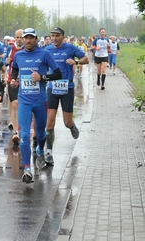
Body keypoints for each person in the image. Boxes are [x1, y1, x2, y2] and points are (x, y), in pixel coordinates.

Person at [10, 28, 62, 183]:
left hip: (40, 101)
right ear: (22, 39)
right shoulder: (18, 55)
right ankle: (27, 169)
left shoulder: (45, 54)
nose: (28, 41)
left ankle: (40, 150)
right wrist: (14, 80)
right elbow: (15, 70)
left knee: (40, 135)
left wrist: (42, 77)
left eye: (31, 38)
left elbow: (58, 74)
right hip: (24, 101)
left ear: (36, 39)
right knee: (24, 135)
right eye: (26, 38)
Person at [44, 27, 89, 166]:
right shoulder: (47, 50)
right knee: (50, 121)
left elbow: (86, 59)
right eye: (53, 36)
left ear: (63, 37)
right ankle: (49, 152)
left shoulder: (70, 48)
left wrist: (76, 62)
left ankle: (72, 126)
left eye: (57, 36)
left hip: (67, 88)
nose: (55, 38)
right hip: (52, 87)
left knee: (66, 122)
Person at [6, 29, 24, 143]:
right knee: (14, 105)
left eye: (21, 37)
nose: (19, 39)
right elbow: (5, 62)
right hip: (12, 80)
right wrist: (6, 61)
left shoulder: (27, 49)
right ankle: (16, 132)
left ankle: (23, 128)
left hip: (24, 81)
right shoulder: (10, 49)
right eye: (17, 37)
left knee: (23, 106)